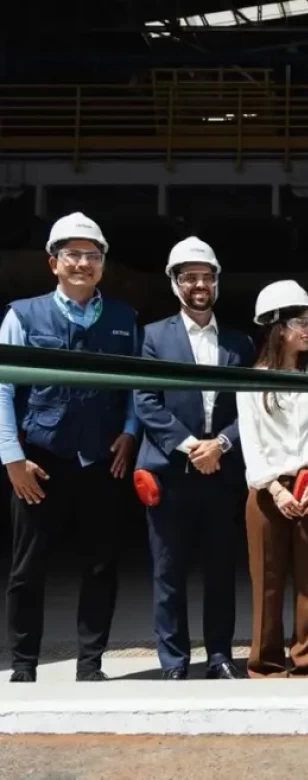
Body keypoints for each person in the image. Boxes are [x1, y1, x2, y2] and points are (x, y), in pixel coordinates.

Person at [0, 212, 140, 683]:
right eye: (73, 254)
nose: (83, 263)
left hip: (101, 458)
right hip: (40, 460)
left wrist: (129, 431)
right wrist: (12, 459)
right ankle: (23, 666)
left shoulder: (123, 319)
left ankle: (90, 664)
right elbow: (2, 387)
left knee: (101, 564)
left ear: (103, 264)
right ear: (53, 262)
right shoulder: (22, 315)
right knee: (27, 567)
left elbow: (136, 384)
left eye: (92, 255)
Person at [134, 237, 254, 681]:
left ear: (217, 282)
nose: (200, 285)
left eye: (207, 277)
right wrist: (190, 446)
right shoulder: (153, 336)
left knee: (220, 570)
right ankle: (173, 661)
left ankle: (220, 655)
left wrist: (220, 444)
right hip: (171, 472)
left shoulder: (240, 342)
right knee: (169, 572)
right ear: (175, 283)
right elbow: (146, 402)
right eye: (190, 277)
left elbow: (251, 406)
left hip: (221, 471)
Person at [236, 280, 308, 678]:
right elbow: (251, 442)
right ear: (278, 328)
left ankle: (306, 661)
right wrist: (276, 489)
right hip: (267, 490)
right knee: (267, 580)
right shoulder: (252, 381)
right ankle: (264, 662)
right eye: (301, 322)